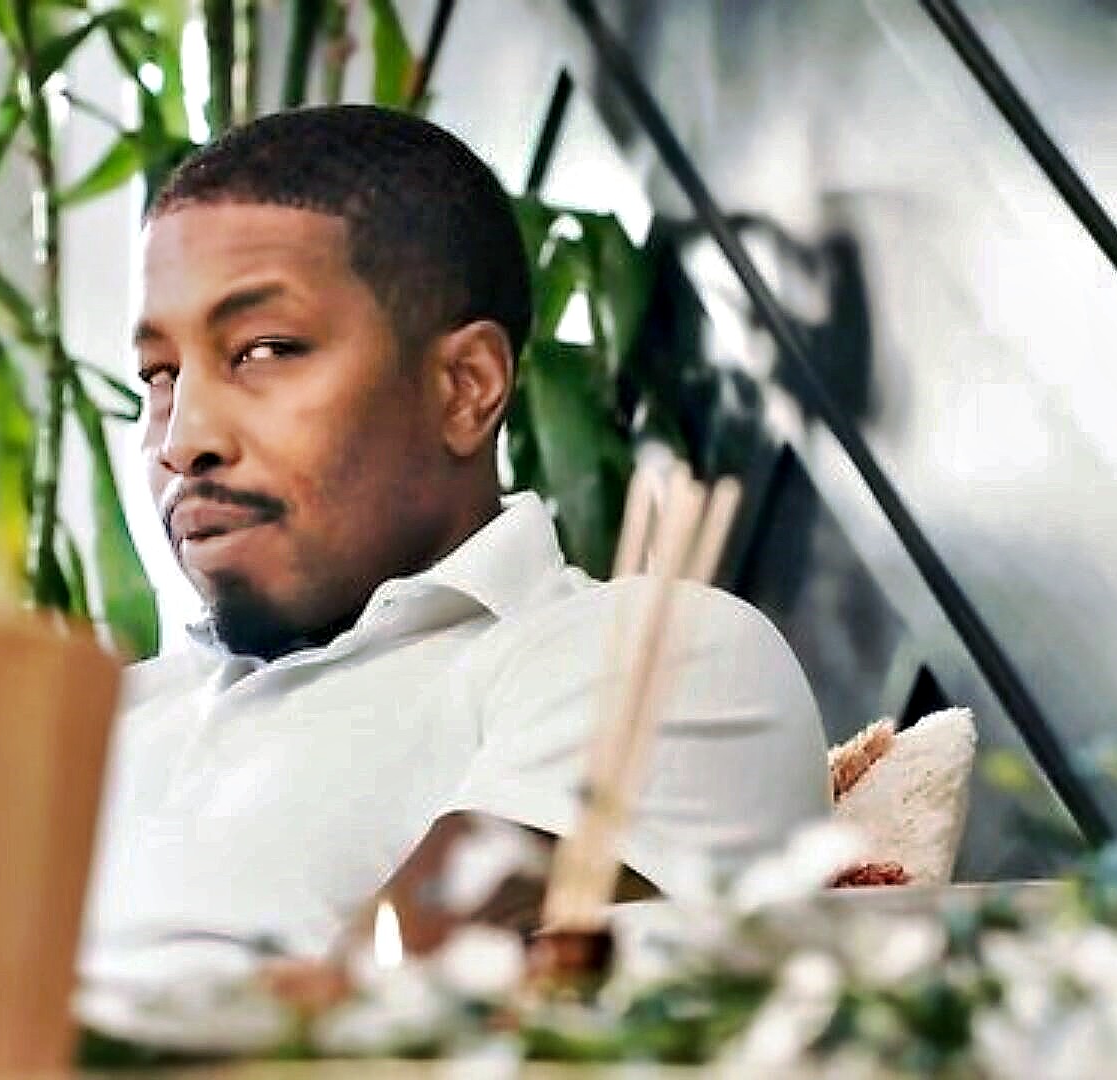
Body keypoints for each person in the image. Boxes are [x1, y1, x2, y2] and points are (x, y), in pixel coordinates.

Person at [81, 105, 829, 969]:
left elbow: (370, 1014)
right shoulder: (103, 719)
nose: (181, 440)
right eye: (160, 374)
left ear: (466, 387)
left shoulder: (648, 652)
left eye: (264, 349)